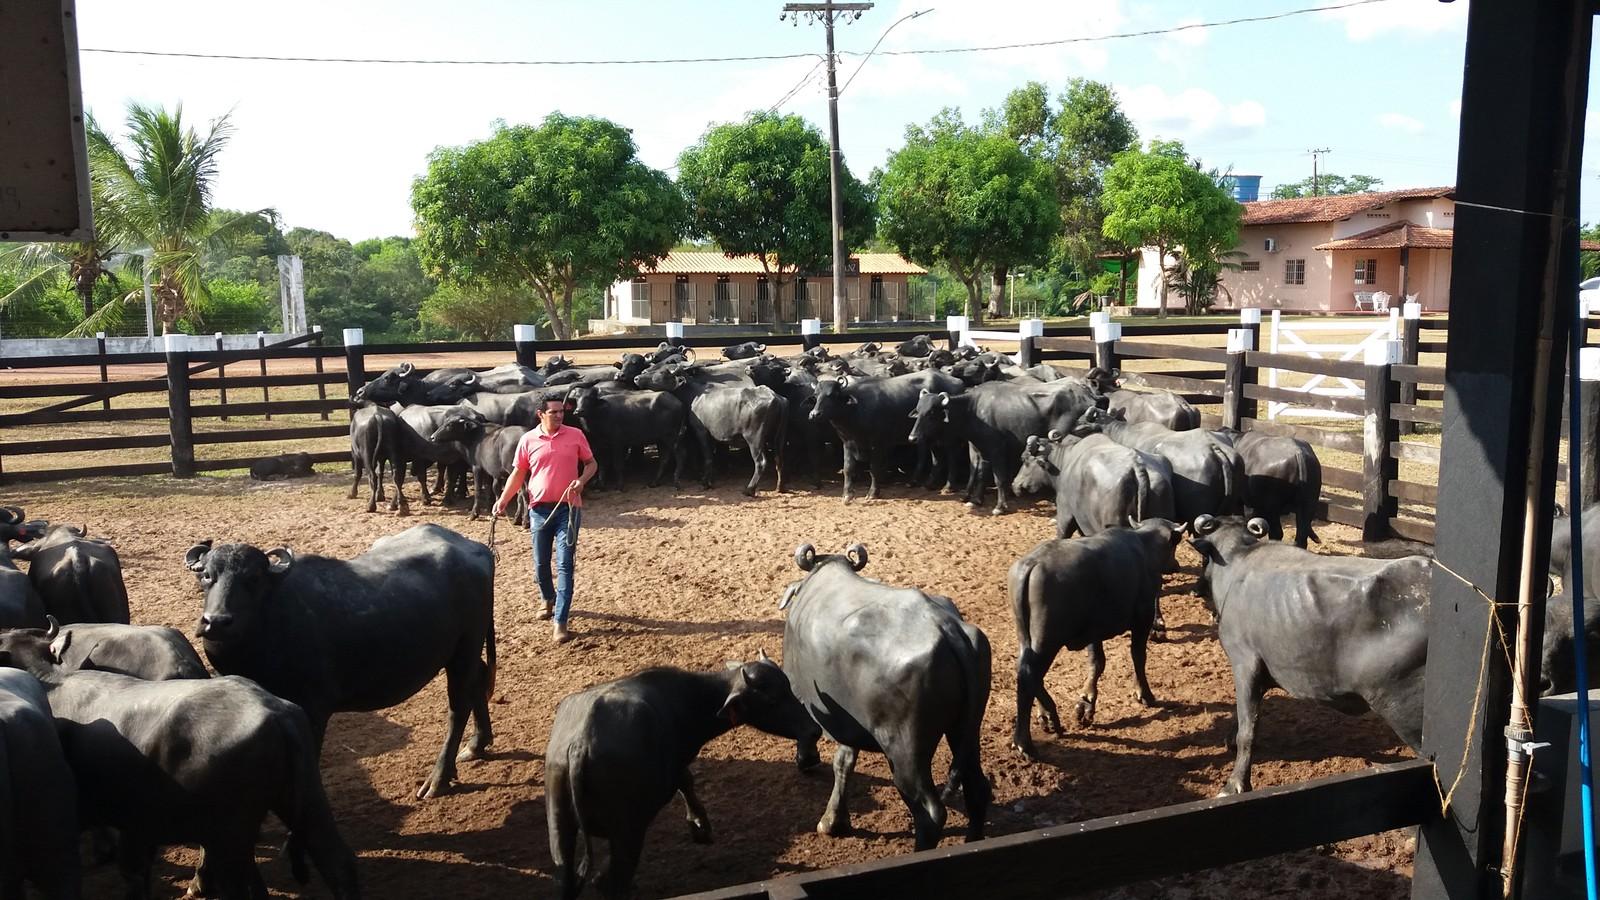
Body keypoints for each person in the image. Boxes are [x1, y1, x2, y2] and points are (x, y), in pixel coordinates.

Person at [493, 395, 595, 643]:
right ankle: (547, 597)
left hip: (568, 509)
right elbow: (518, 473)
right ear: (541, 414)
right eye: (554, 412)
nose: (560, 416)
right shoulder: (528, 440)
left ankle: (560, 621)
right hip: (538, 510)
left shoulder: (575, 435)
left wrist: (581, 481)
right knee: (540, 564)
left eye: (562, 412)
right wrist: (503, 500)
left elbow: (591, 464)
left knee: (565, 565)